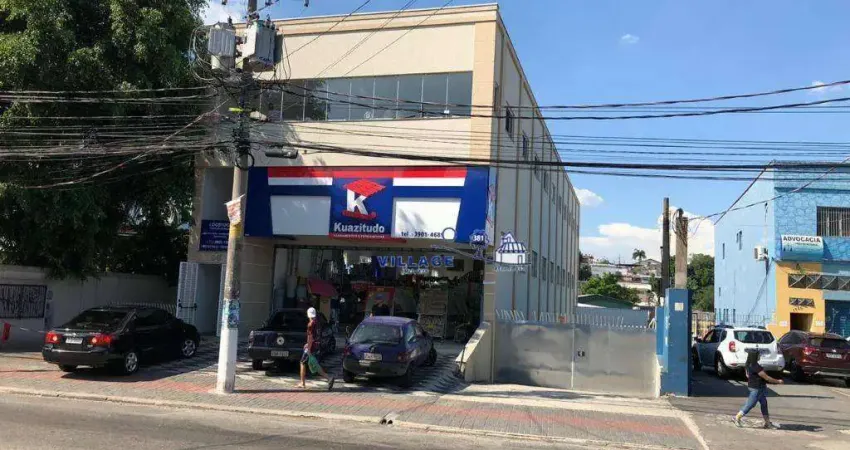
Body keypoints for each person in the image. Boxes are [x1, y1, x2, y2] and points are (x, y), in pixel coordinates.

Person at [733, 349, 783, 429]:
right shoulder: (756, 367)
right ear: (755, 357)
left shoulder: (748, 364)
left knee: (763, 404)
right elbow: (767, 378)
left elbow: (748, 376)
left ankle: (767, 423)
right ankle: (737, 417)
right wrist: (778, 381)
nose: (759, 356)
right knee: (750, 404)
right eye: (758, 355)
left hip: (756, 388)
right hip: (757, 389)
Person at [300, 307, 335, 391]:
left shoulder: (310, 324)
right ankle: (328, 378)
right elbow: (315, 337)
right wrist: (308, 344)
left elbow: (310, 337)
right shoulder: (318, 323)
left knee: (302, 362)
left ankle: (302, 383)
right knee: (315, 364)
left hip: (311, 347)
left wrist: (308, 347)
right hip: (316, 346)